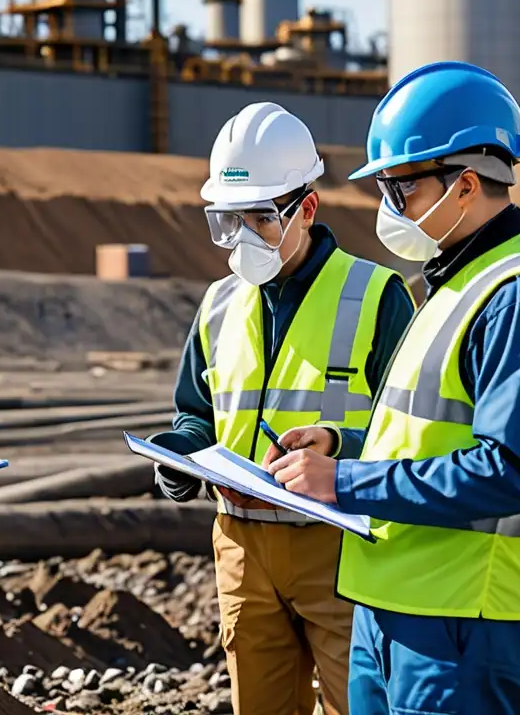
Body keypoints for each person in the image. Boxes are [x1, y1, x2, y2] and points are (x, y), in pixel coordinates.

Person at [263, 62, 520, 714]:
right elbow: (426, 434)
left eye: (400, 190)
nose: (390, 210)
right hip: (396, 606)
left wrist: (345, 484)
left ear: (466, 184)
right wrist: (341, 447)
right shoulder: (453, 284)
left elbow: (509, 471)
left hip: (463, 621)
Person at [149, 102, 415, 715]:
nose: (242, 237)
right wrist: (179, 456)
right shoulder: (217, 306)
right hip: (241, 547)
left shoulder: (377, 297)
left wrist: (339, 446)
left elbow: (410, 432)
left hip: (342, 548)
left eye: (261, 218)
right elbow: (197, 414)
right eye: (227, 220)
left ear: (308, 208)